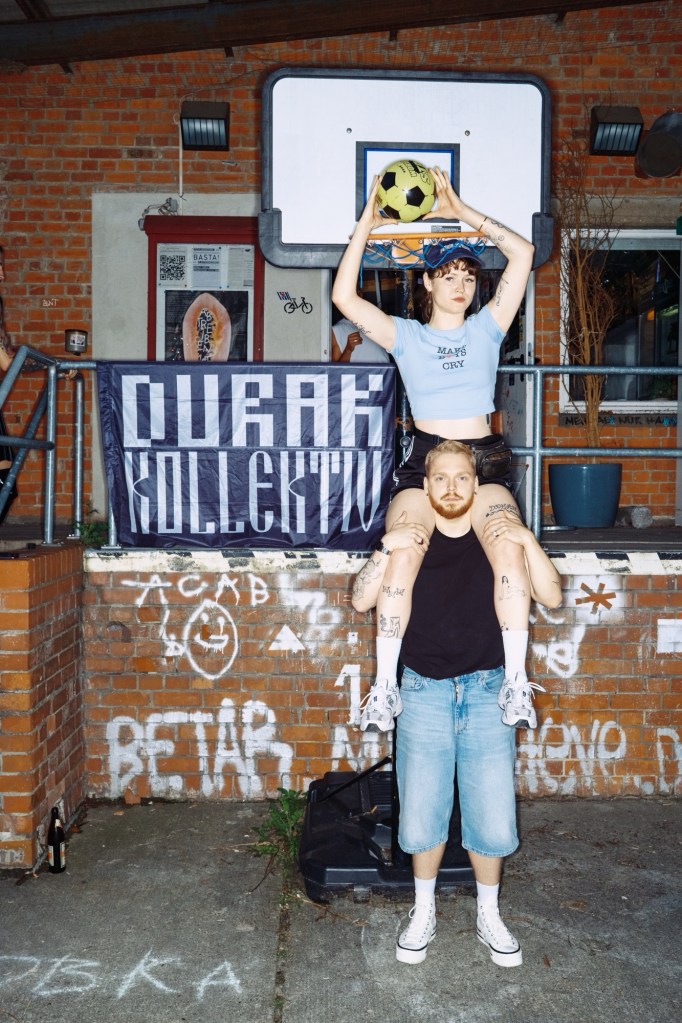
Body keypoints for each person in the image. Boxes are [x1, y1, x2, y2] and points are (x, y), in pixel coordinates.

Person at [332, 167, 539, 733]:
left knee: (508, 548)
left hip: (482, 460)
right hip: (426, 460)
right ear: (427, 283)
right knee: (404, 549)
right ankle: (384, 688)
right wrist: (368, 222)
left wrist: (460, 210)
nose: (461, 285)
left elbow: (521, 254)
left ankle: (516, 684)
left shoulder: (489, 327)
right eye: (448, 275)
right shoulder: (407, 335)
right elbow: (343, 297)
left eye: (468, 276)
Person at [351, 440, 562, 966]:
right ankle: (423, 912)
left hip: (489, 689)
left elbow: (553, 595)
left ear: (476, 484)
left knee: (492, 813)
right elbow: (360, 599)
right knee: (422, 812)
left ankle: (489, 915)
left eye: (461, 478)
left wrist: (527, 538)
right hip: (423, 689)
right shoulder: (412, 533)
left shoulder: (496, 533)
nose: (451, 488)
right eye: (441, 479)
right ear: (426, 487)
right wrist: (384, 546)